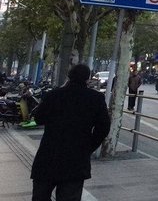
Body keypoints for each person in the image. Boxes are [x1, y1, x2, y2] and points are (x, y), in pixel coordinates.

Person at [29, 63, 110, 201]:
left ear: (69, 76)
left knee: (40, 196)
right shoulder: (95, 98)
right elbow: (103, 127)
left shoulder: (53, 95)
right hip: (76, 158)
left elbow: (38, 118)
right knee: (70, 196)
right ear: (88, 78)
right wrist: (88, 147)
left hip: (49, 155)